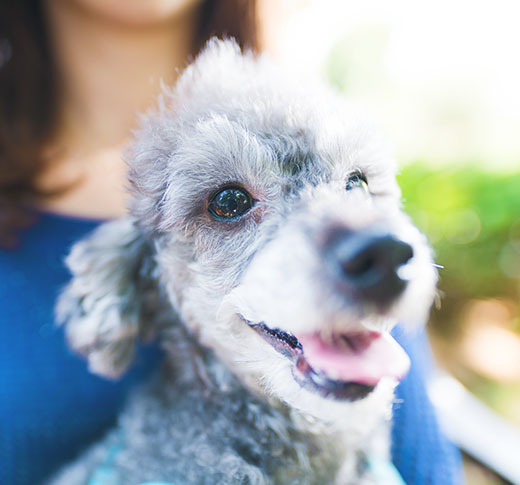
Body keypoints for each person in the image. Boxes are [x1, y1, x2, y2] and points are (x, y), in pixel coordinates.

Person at [0, 1, 463, 483]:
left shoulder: (364, 252)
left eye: (356, 184)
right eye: (229, 203)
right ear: (135, 273)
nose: (369, 246)